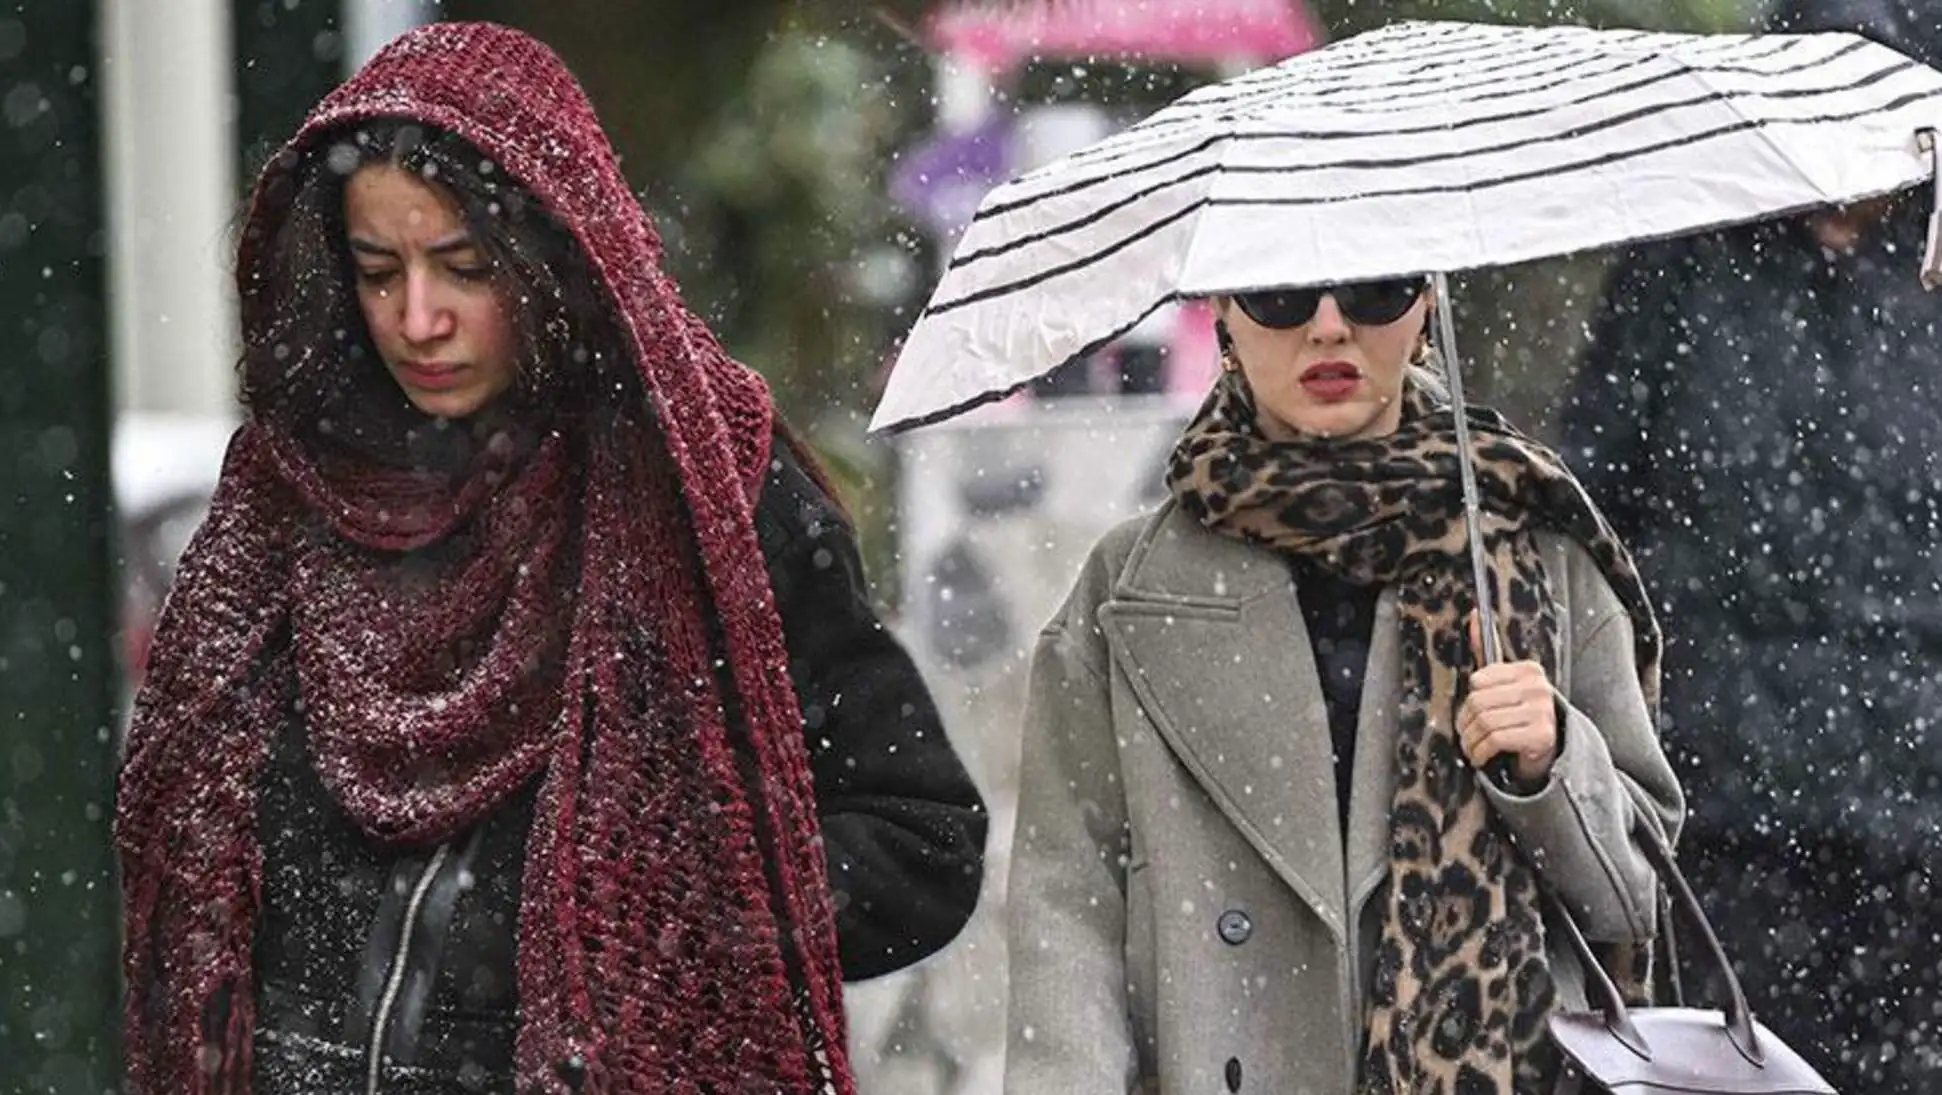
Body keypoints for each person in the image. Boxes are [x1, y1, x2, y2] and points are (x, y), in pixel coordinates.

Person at [113, 22, 987, 1095]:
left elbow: (918, 843)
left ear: (551, 256)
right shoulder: (293, 499)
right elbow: (191, 854)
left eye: (464, 267)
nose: (416, 319)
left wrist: (664, 921)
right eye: (377, 269)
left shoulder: (702, 494)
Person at [1004, 276, 1684, 1092]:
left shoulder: (1539, 557)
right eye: (1280, 294)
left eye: (1373, 290)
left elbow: (1638, 895)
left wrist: (1553, 764)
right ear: (1222, 312)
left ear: (1426, 306)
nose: (1329, 327)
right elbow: (1068, 906)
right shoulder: (1125, 591)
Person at [1560, 4, 1942, 1088]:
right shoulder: (1683, 268)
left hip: (1920, 809)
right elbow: (1591, 504)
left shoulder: (1929, 276)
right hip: (1727, 804)